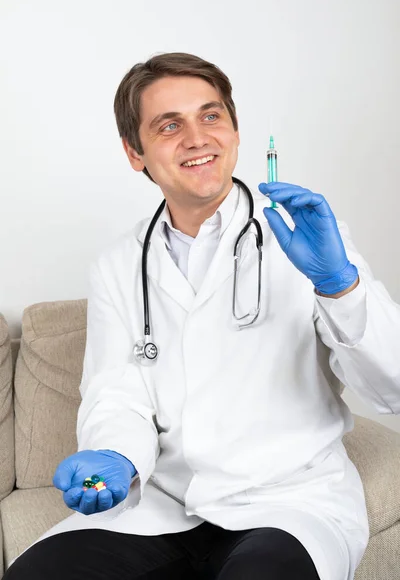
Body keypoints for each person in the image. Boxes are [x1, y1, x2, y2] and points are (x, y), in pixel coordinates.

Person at [4, 52, 400, 580]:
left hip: (290, 503)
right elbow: (118, 394)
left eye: (211, 116)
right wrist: (118, 457)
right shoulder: (118, 266)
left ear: (234, 130)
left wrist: (340, 285)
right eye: (169, 125)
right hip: (161, 504)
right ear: (134, 152)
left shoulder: (307, 241)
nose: (197, 138)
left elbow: (391, 388)